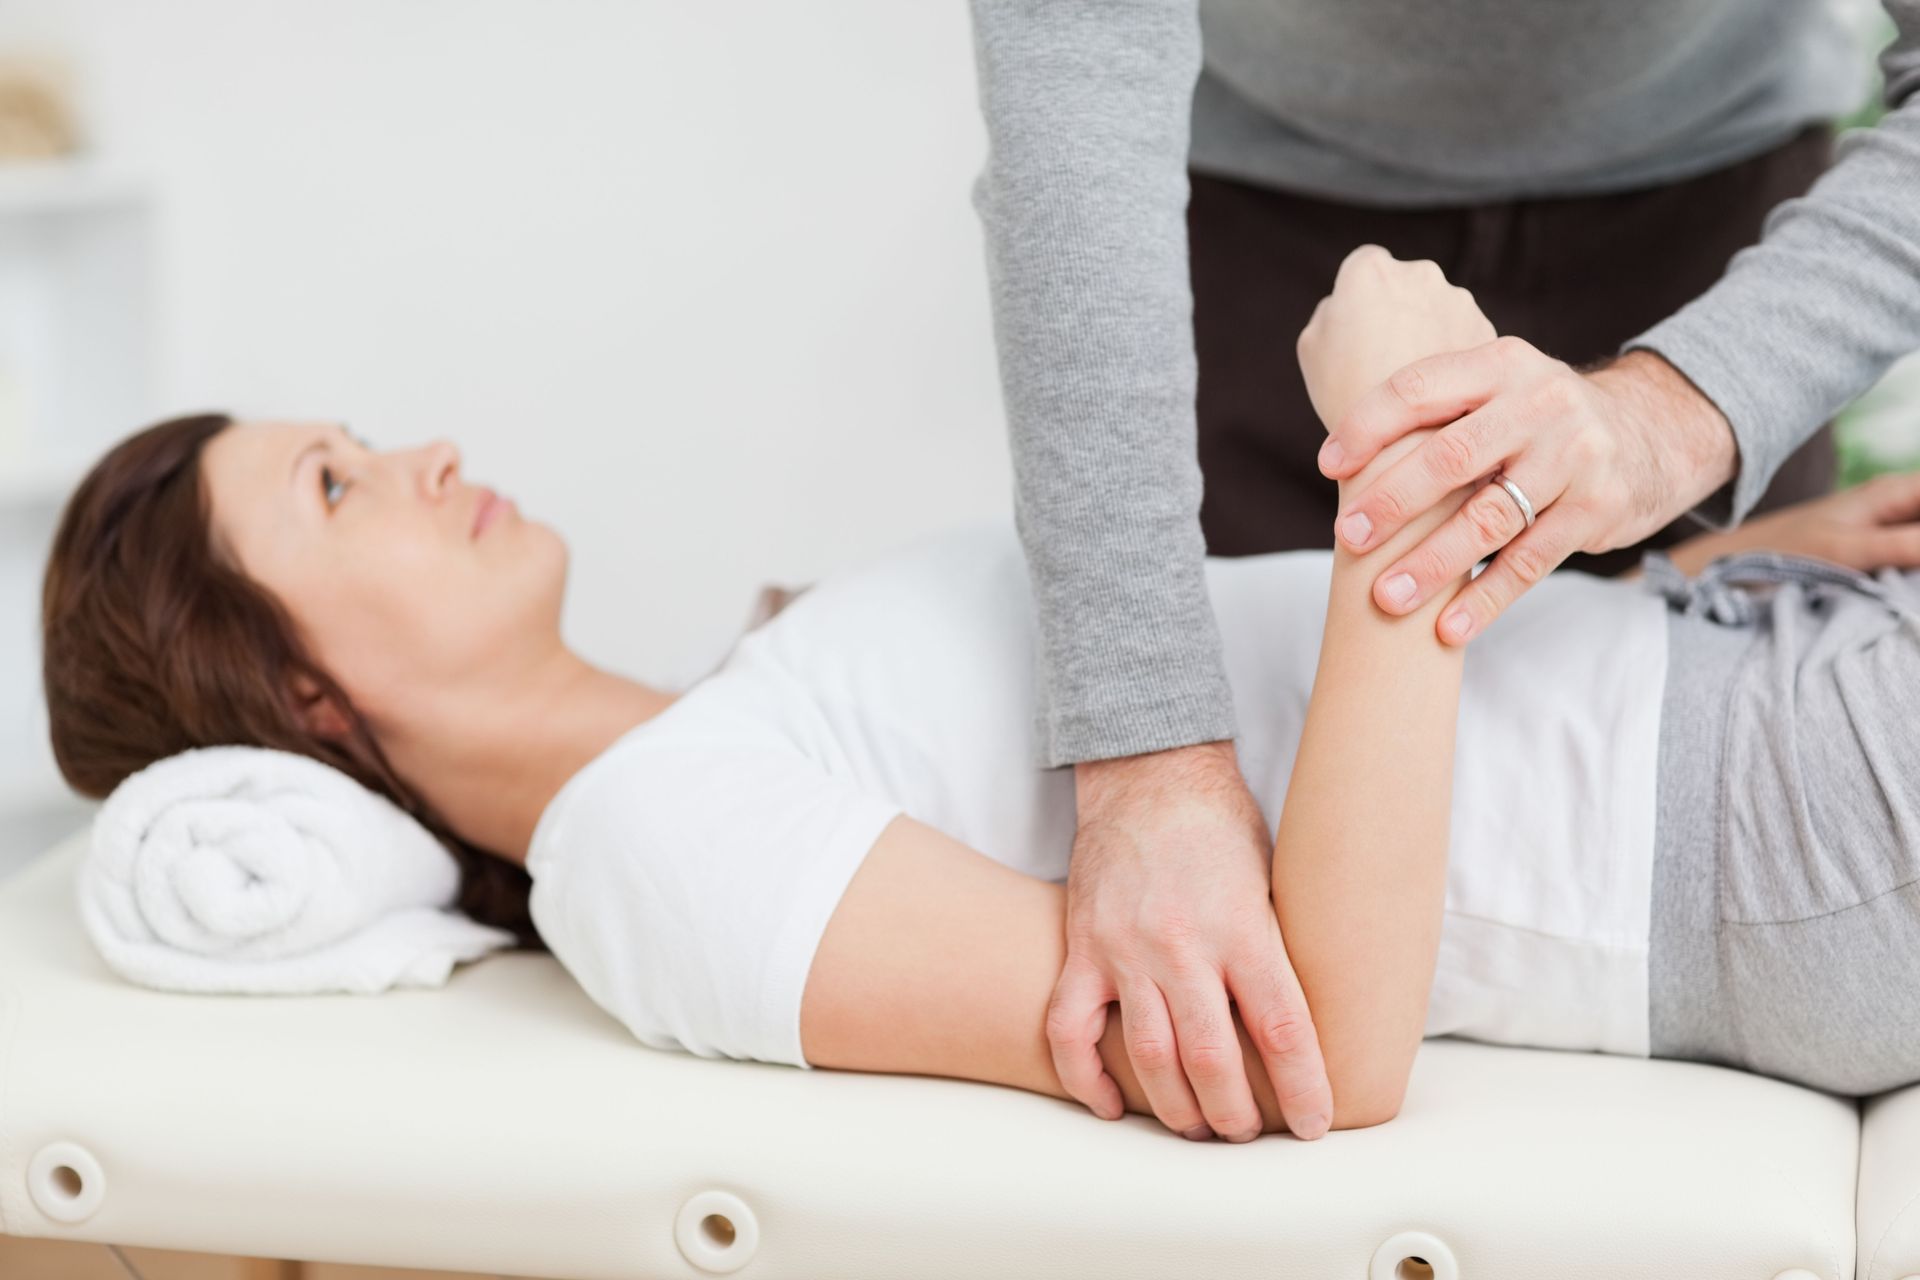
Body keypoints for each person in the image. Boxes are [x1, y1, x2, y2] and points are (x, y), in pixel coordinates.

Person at [40, 253, 1920, 1137]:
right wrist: (1401, 451)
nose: (424, 451)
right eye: (339, 483)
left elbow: (1273, 721)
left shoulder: (724, 717)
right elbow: (1317, 1045)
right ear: (289, 690)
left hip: (1746, 700)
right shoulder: (653, 859)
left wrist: (1680, 580)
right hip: (1763, 827)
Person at [966, 0, 1920, 1142]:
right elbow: (1317, 1041)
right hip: (1259, 229)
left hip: (1718, 211)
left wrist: (1684, 412)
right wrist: (1148, 757)